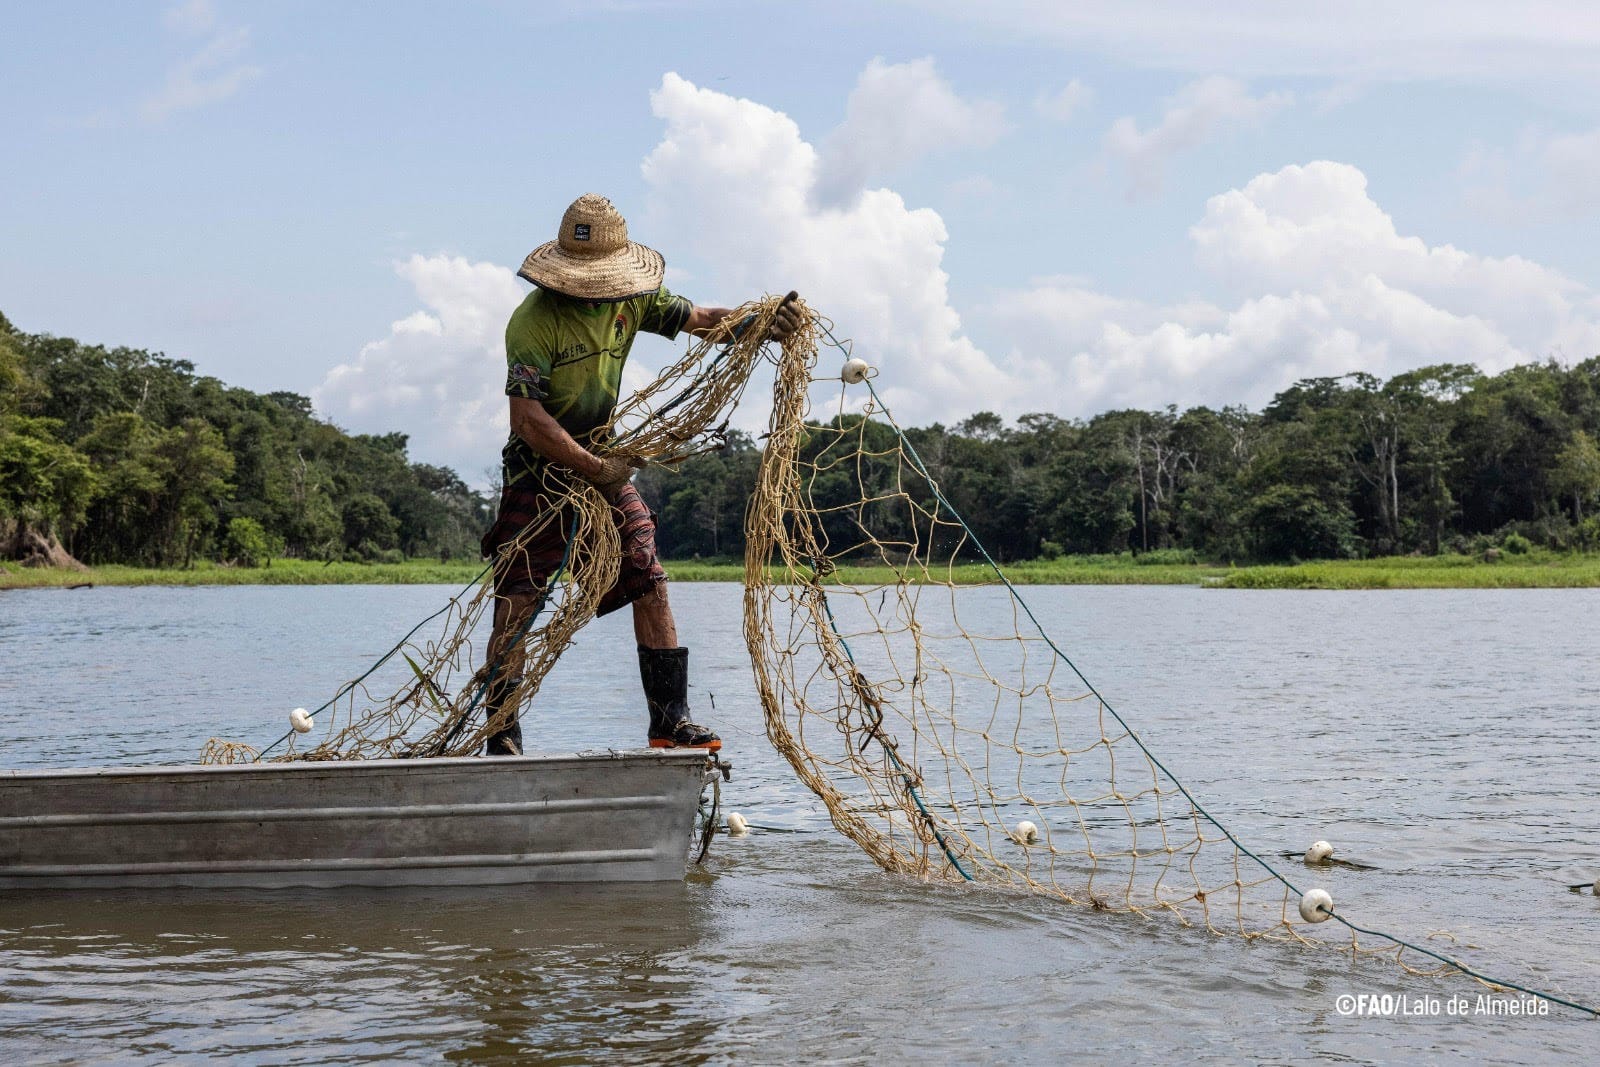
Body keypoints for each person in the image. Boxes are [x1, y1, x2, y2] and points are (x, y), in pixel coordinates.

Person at [477, 193, 800, 756]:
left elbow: (702, 320)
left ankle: (669, 723)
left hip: (604, 463)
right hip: (539, 473)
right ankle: (501, 732)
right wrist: (596, 468)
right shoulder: (532, 322)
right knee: (519, 599)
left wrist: (760, 321)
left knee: (649, 581)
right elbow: (528, 419)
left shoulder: (635, 300)